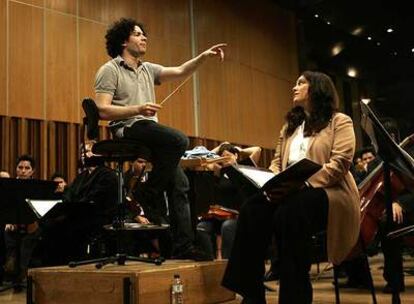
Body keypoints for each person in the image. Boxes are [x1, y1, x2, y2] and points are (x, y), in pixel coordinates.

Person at [222, 71, 360, 304]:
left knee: (291, 212)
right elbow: (277, 163)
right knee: (251, 210)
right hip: (289, 191)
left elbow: (339, 165)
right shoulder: (290, 126)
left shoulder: (340, 121)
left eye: (300, 83)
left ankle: (295, 296)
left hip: (329, 192)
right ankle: (251, 294)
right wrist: (270, 182)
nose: (294, 88)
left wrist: (305, 184)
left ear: (316, 88)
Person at [94, 18, 225, 260]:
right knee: (178, 140)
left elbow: (181, 71)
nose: (144, 37)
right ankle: (149, 191)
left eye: (144, 34)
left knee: (181, 185)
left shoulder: (147, 69)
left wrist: (203, 57)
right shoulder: (109, 70)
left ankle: (183, 248)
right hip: (127, 129)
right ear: (124, 40)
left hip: (148, 130)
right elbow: (102, 110)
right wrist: (137, 109)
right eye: (137, 34)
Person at [197, 143, 262, 259]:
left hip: (237, 217)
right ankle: (209, 262)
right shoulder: (219, 171)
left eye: (228, 156)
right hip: (219, 216)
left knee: (227, 227)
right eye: (223, 157)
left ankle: (228, 263)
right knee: (201, 227)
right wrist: (221, 146)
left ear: (236, 155)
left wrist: (239, 150)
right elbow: (204, 159)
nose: (225, 159)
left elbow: (257, 150)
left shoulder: (243, 168)